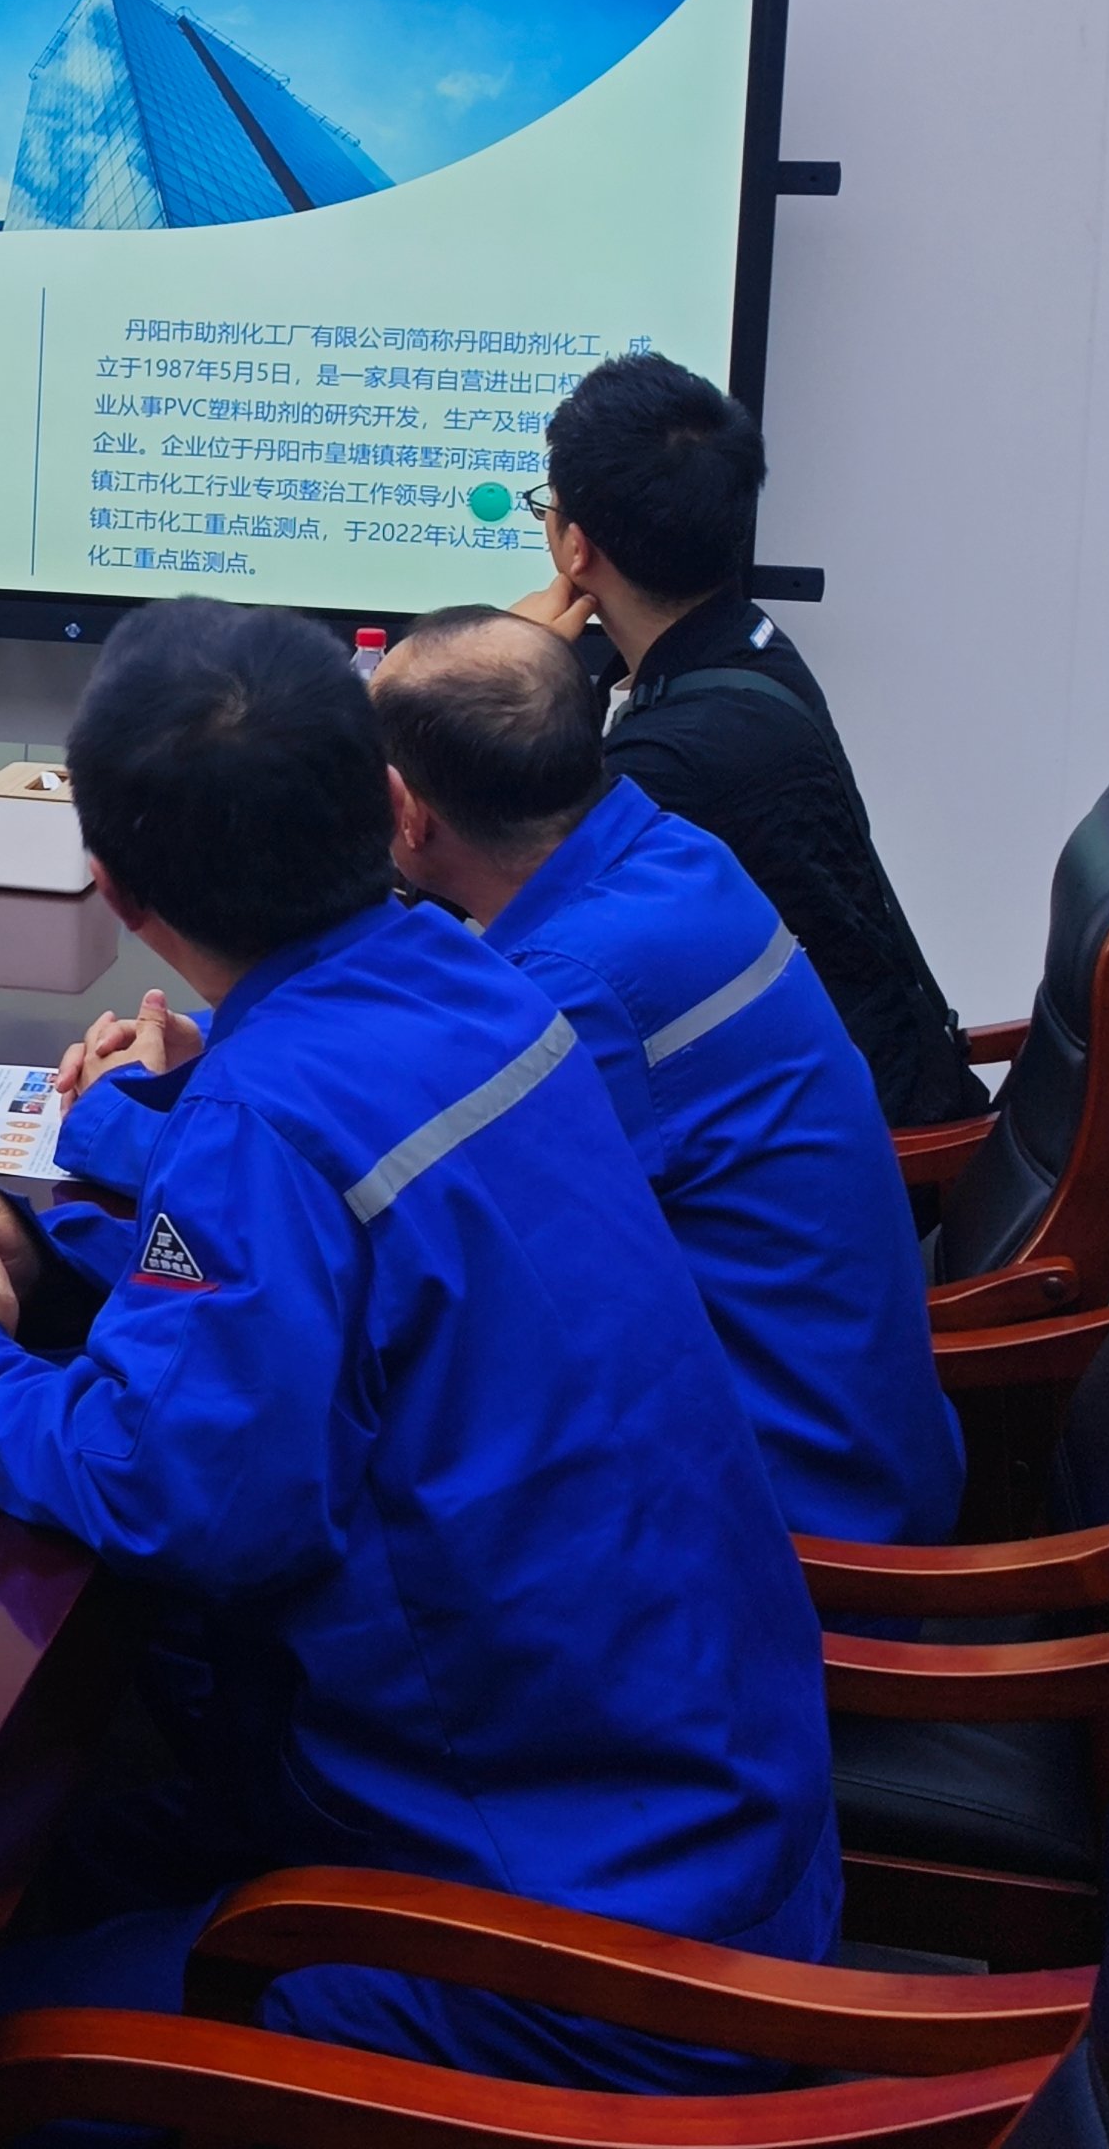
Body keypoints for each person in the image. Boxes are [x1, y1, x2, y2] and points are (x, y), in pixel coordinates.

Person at [0, 598, 836, 2095]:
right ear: (390, 809)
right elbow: (327, 1294)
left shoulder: (264, 1124)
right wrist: (60, 1276)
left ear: (114, 890)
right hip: (699, 1813)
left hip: (570, 1952)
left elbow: (179, 1498)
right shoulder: (478, 979)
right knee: (43, 1859)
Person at [372, 607, 962, 1546]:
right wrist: (228, 1035)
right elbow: (442, 1026)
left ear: (405, 810)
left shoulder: (577, 989)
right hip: (853, 1442)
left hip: (781, 1529)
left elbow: (379, 1201)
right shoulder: (666, 853)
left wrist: (144, 1109)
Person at [518, 353, 983, 1134]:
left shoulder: (670, 761)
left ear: (577, 550)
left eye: (547, 507)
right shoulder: (743, 645)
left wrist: (503, 668)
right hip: (852, 1082)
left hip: (824, 1141)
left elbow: (521, 938)